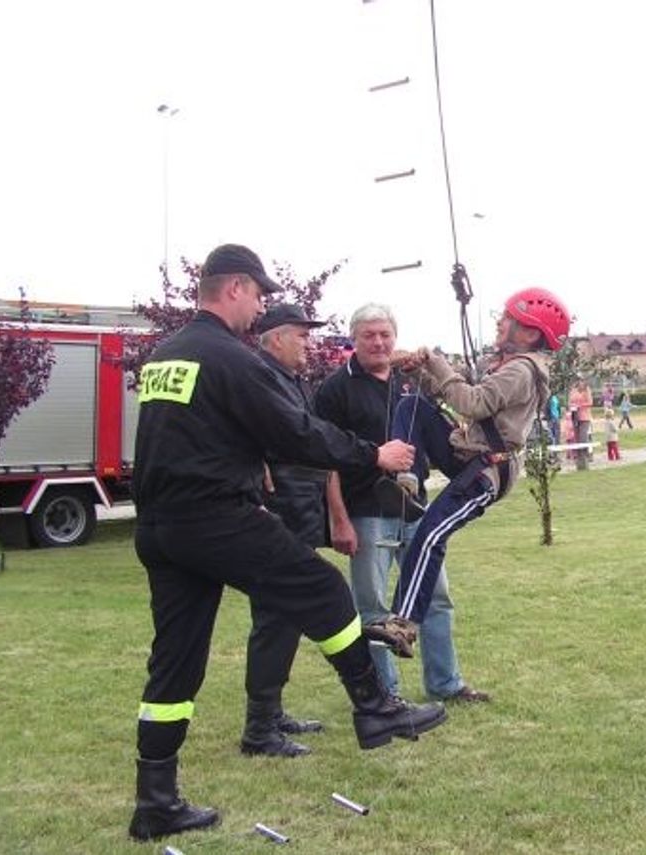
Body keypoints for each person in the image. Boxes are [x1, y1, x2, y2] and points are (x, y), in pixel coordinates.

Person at [127, 245, 445, 843]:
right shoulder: (232, 358)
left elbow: (201, 434)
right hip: (214, 515)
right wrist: (369, 454)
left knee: (174, 663)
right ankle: (375, 708)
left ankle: (155, 800)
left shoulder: (165, 356)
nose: (261, 307)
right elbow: (294, 433)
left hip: (160, 526)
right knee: (321, 586)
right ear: (236, 289)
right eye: (259, 295)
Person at [370, 287, 570, 649]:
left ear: (529, 332)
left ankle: (403, 624)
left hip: (486, 472)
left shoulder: (522, 371)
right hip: (472, 458)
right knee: (410, 406)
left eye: (507, 318)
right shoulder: (511, 366)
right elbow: (458, 401)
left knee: (430, 534)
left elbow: (473, 404)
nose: (499, 322)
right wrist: (422, 374)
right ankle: (406, 483)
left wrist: (435, 362)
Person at [314, 303, 488, 704]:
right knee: (372, 607)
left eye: (384, 335)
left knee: (436, 597)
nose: (378, 342)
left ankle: (446, 684)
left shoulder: (409, 382)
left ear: (395, 337)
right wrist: (339, 520)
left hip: (415, 510)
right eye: (368, 335)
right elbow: (326, 461)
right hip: (366, 512)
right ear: (353, 340)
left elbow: (454, 398)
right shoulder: (334, 390)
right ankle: (384, 693)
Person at [239, 303, 329, 758]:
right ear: (275, 337)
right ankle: (259, 730)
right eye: (301, 335)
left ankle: (271, 714)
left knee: (289, 616)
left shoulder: (290, 380)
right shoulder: (261, 379)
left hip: (302, 505)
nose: (307, 344)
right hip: (280, 508)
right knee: (275, 615)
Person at [568, 378, 593, 470]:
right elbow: (570, 402)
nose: (580, 383)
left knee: (583, 437)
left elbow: (590, 403)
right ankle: (579, 459)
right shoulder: (573, 390)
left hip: (584, 417)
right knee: (577, 438)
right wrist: (572, 406)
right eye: (579, 381)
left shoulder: (587, 390)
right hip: (575, 416)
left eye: (582, 381)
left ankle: (585, 457)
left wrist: (580, 405)